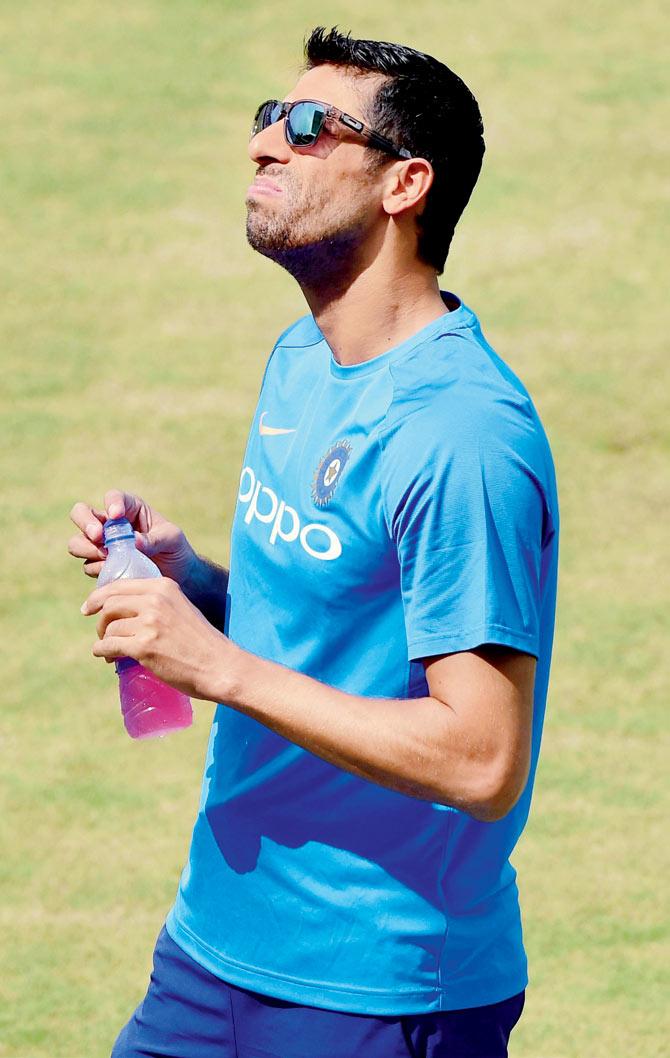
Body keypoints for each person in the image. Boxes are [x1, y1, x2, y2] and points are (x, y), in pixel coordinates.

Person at [69, 26, 559, 1058]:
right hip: (213, 948)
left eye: (306, 128)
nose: (263, 144)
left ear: (404, 185)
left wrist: (219, 667)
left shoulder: (461, 434)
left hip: (379, 988)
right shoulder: (302, 356)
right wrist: (193, 583)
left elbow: (481, 759)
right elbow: (330, 627)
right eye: (264, 118)